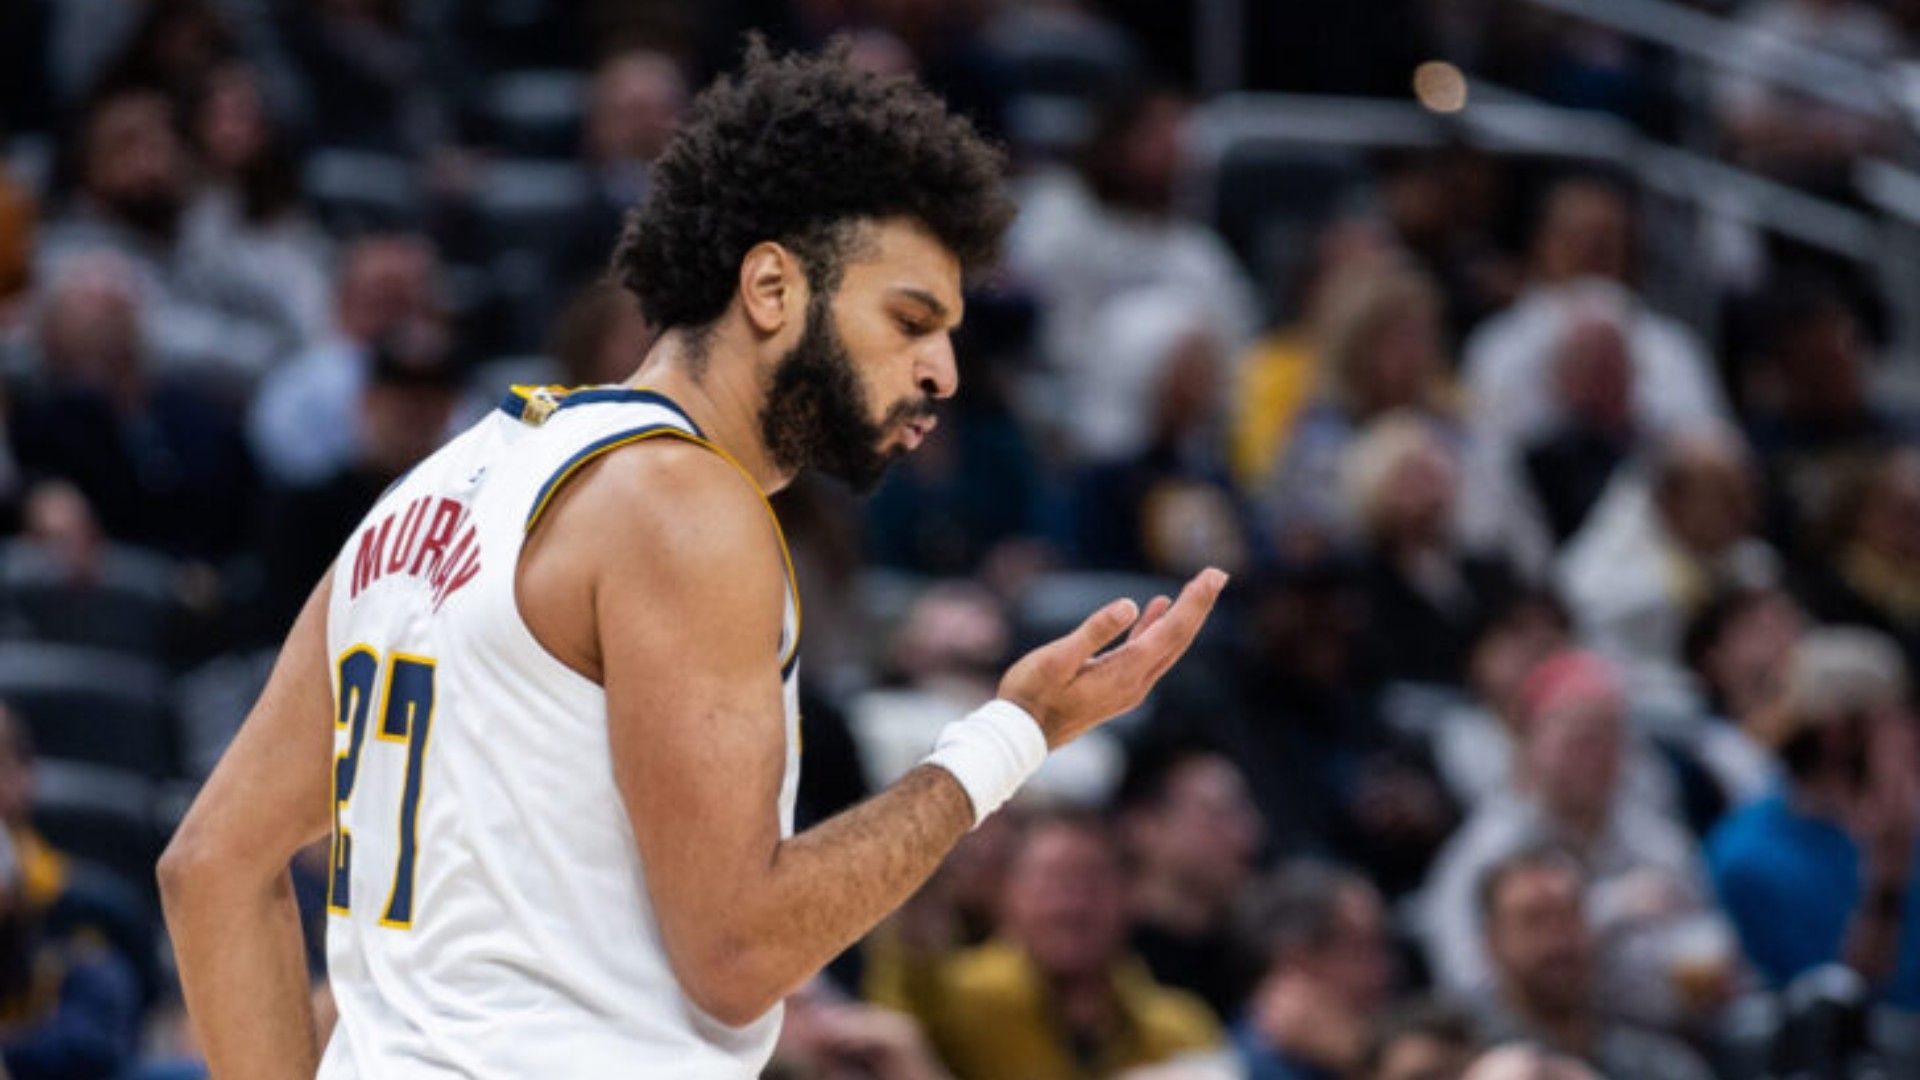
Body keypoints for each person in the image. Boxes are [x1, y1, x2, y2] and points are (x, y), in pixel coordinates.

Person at [159, 42, 1226, 1079]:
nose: (943, 370)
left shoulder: (433, 488)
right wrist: (1011, 737)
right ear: (771, 287)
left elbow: (211, 866)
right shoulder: (685, 504)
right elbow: (737, 952)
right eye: (910, 320)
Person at [904, 811, 1223, 1079]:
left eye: (1091, 883)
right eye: (1050, 883)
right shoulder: (947, 1000)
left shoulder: (1180, 1032)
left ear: (1129, 896)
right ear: (1005, 894)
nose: (1070, 907)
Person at [1708, 628, 1920, 1010]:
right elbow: (1836, 1011)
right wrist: (1888, 882)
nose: (1910, 738)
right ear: (1839, 737)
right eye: (1894, 724)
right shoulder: (1752, 858)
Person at [1472, 848, 1713, 1080]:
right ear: (1492, 942)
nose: (1558, 939)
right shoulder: (1466, 1057)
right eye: (1534, 920)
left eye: (1570, 915)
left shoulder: (1655, 1062)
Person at [1118, 749, 1264, 1020]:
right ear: (1144, 826)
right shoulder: (1101, 957)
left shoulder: (1261, 963)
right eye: (1217, 816)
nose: (1247, 834)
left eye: (1246, 813)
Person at [1230, 862, 1395, 1080]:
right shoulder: (1236, 1068)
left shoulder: (1386, 1045)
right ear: (1295, 961)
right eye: (1361, 949)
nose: (1386, 970)